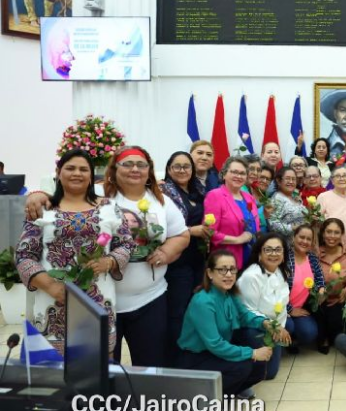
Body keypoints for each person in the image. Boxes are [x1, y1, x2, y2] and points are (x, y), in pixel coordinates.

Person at [23, 146, 190, 367]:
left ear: (150, 170)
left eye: (141, 165)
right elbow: (68, 190)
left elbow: (180, 234)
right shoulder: (101, 196)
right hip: (93, 303)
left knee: (150, 363)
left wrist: (165, 251)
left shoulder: (160, 201)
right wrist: (37, 194)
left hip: (147, 299)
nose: (134, 169)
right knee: (94, 367)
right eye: (127, 164)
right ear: (113, 169)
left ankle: (143, 402)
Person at [15, 149, 134, 355]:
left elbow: (127, 244)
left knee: (98, 373)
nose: (76, 173)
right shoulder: (43, 209)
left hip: (98, 303)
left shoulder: (109, 207)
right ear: (59, 173)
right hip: (53, 303)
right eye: (70, 168)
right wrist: (52, 286)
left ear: (90, 176)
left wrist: (110, 261)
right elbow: (24, 255)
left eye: (83, 169)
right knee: (52, 377)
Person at [177, 250, 273, 397]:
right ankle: (209, 397)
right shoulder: (203, 302)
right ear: (209, 273)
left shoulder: (228, 292)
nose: (228, 274)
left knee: (259, 365)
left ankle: (234, 390)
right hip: (196, 358)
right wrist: (252, 353)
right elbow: (215, 344)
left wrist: (265, 323)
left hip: (214, 351)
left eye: (232, 269)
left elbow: (243, 315)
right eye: (222, 270)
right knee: (244, 366)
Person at [160, 151, 213, 365]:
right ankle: (175, 359)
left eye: (186, 167)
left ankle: (192, 354)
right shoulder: (163, 192)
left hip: (198, 258)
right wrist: (193, 230)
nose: (182, 171)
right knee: (178, 311)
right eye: (177, 166)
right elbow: (162, 229)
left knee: (194, 307)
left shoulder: (197, 191)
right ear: (169, 169)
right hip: (178, 260)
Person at [237, 234, 293, 380]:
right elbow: (247, 311)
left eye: (278, 250)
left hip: (273, 324)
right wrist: (273, 326)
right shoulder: (251, 276)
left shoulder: (281, 271)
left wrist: (279, 328)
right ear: (259, 253)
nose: (273, 254)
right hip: (254, 326)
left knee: (291, 326)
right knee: (269, 374)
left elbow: (282, 304)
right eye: (268, 250)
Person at [204, 157, 260, 270]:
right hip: (227, 261)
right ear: (224, 174)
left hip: (252, 260)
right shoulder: (215, 196)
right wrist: (237, 240)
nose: (238, 176)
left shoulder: (249, 198)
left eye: (242, 173)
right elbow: (209, 231)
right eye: (234, 172)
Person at [316, 218, 346, 354]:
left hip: (339, 300)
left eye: (336, 232)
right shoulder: (315, 253)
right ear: (322, 233)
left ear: (342, 235)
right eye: (328, 232)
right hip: (318, 300)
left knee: (336, 332)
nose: (332, 236)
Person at [286, 225, 326, 350]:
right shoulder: (285, 257)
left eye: (308, 239)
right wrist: (289, 309)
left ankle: (293, 339)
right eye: (301, 237)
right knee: (288, 326)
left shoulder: (312, 258)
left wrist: (321, 289)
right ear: (294, 237)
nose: (304, 241)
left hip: (300, 307)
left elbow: (320, 279)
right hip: (280, 307)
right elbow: (274, 289)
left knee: (309, 333)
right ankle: (286, 338)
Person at [268, 167, 306, 236]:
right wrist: (292, 228)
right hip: (286, 242)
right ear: (279, 181)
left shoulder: (296, 198)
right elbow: (272, 224)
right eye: (287, 178)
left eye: (293, 179)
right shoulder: (277, 199)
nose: (291, 182)